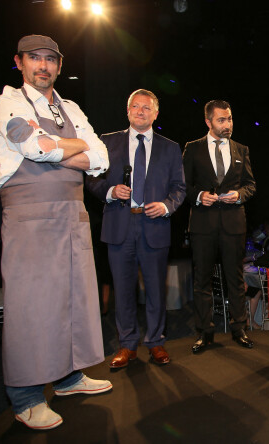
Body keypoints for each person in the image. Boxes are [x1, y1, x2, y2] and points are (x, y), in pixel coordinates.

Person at [0, 35, 112, 430]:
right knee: (30, 307)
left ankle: (68, 377)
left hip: (72, 216)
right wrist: (74, 151)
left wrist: (62, 149)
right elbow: (34, 146)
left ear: (59, 65)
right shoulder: (9, 102)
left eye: (50, 60)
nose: (43, 66)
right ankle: (25, 397)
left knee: (71, 300)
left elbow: (102, 157)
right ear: (20, 62)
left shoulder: (70, 107)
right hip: (29, 217)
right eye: (34, 59)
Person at [86, 89, 186, 368]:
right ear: (127, 111)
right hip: (119, 224)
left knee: (155, 289)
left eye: (146, 108)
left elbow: (179, 188)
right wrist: (109, 191)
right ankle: (127, 344)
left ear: (156, 113)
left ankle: (156, 342)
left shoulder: (170, 147)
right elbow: (92, 180)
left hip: (154, 224)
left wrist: (166, 206)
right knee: (123, 288)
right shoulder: (107, 142)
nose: (140, 111)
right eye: (135, 107)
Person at [183, 100, 256, 353]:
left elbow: (250, 185)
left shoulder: (241, 149)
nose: (228, 125)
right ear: (208, 122)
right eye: (222, 120)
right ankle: (204, 332)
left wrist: (239, 195)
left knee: (235, 278)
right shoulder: (192, 149)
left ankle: (239, 328)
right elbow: (183, 186)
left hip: (234, 223)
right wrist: (199, 195)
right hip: (203, 224)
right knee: (202, 279)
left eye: (230, 119)